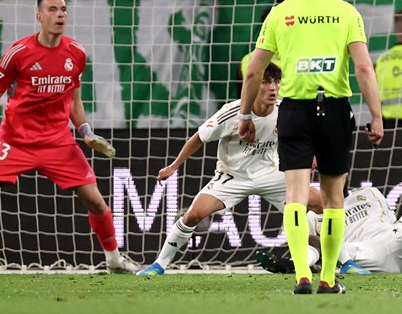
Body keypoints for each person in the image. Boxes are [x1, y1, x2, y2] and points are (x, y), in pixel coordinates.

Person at [0, 0, 139, 273]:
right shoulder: (18, 52)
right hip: (15, 141)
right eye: (52, 9)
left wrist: (86, 132)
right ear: (39, 16)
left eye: (63, 9)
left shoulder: (76, 53)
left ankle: (114, 260)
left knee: (96, 201)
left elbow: (73, 99)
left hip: (58, 142)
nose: (60, 14)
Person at [238, 0, 384, 294]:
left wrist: (245, 115)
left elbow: (254, 71)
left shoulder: (280, 12)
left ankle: (302, 274)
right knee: (334, 199)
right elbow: (364, 67)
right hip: (334, 109)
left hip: (294, 111)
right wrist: (376, 115)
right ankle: (328, 278)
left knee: (296, 196)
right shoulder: (347, 12)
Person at [137, 63, 323, 275]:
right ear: (252, 86)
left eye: (276, 82)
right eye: (265, 82)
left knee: (321, 203)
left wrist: (312, 154)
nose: (273, 88)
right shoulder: (232, 112)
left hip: (271, 173)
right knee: (193, 215)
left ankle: (340, 260)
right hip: (233, 177)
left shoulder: (284, 109)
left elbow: (304, 133)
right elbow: (198, 138)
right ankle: (159, 264)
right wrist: (173, 166)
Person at [257, 180, 402, 276]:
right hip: (361, 255)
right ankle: (291, 265)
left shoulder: (371, 192)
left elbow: (392, 221)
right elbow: (313, 247)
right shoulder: (313, 216)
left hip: (398, 241)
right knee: (317, 242)